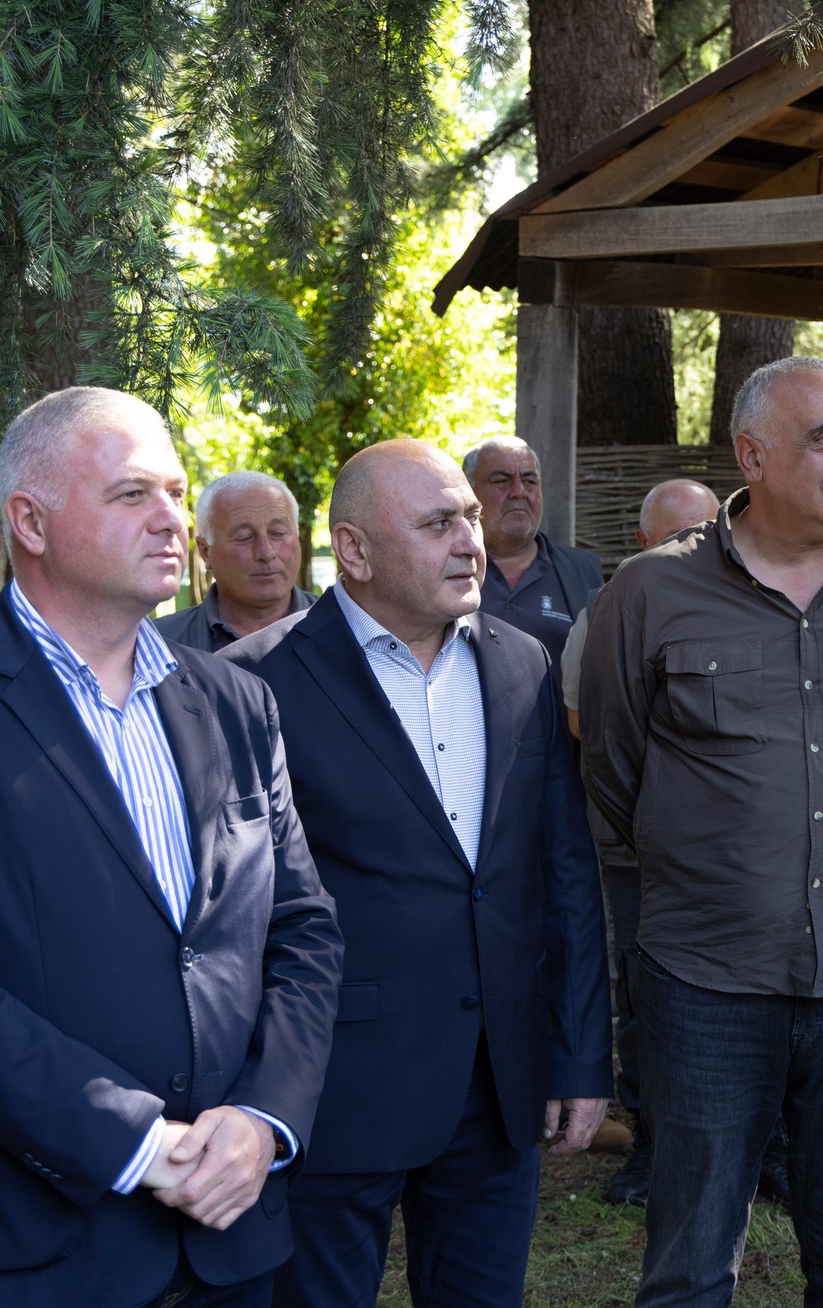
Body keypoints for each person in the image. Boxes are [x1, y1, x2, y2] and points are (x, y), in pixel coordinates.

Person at [0, 386, 343, 1308]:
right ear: (30, 522)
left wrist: (264, 1116)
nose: (171, 518)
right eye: (133, 494)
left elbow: (303, 928)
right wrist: (133, 1141)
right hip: (23, 1252)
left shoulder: (237, 703)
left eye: (175, 492)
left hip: (230, 1237)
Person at [580, 356, 823, 1306]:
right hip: (705, 977)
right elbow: (614, 769)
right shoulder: (649, 593)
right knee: (690, 1265)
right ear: (752, 455)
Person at [223, 439, 610, 1308]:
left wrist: (581, 1055)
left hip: (498, 1084)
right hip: (334, 1086)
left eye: (468, 517)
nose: (471, 540)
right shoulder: (253, 683)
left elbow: (563, 872)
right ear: (354, 551)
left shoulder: (523, 663)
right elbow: (234, 913)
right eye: (439, 524)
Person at [557, 477, 725, 1207]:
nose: (692, 549)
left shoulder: (760, 605)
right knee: (648, 993)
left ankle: (766, 1145)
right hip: (640, 847)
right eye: (674, 538)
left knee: (763, 992)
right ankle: (653, 1142)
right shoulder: (607, 613)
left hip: (744, 846)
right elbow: (582, 724)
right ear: (641, 545)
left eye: (704, 533)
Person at [465, 435, 604, 669]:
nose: (519, 492)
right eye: (501, 481)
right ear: (469, 492)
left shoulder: (582, 570)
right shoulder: (449, 568)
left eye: (529, 481)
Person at [156, 471, 315, 651]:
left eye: (278, 533)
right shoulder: (159, 644)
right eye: (244, 537)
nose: (266, 552)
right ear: (206, 551)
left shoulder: (338, 625)